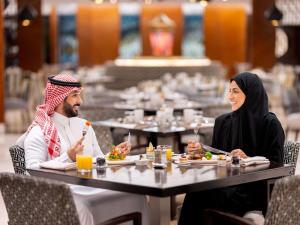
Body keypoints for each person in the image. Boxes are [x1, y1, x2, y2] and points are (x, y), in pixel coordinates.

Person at [17, 74, 149, 225]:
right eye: (75, 96)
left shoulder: (84, 125)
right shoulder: (39, 132)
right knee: (84, 208)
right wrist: (68, 157)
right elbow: (32, 172)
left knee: (137, 197)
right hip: (60, 193)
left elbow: (99, 159)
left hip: (92, 187)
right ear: (60, 98)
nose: (80, 101)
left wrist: (114, 155)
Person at [178, 72, 285, 225]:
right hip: (225, 186)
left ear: (251, 93)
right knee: (196, 192)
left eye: (235, 91)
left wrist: (249, 160)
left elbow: (278, 166)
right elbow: (218, 157)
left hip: (253, 191)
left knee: (200, 196)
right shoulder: (223, 122)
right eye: (229, 91)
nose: (229, 96)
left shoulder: (270, 124)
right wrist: (203, 152)